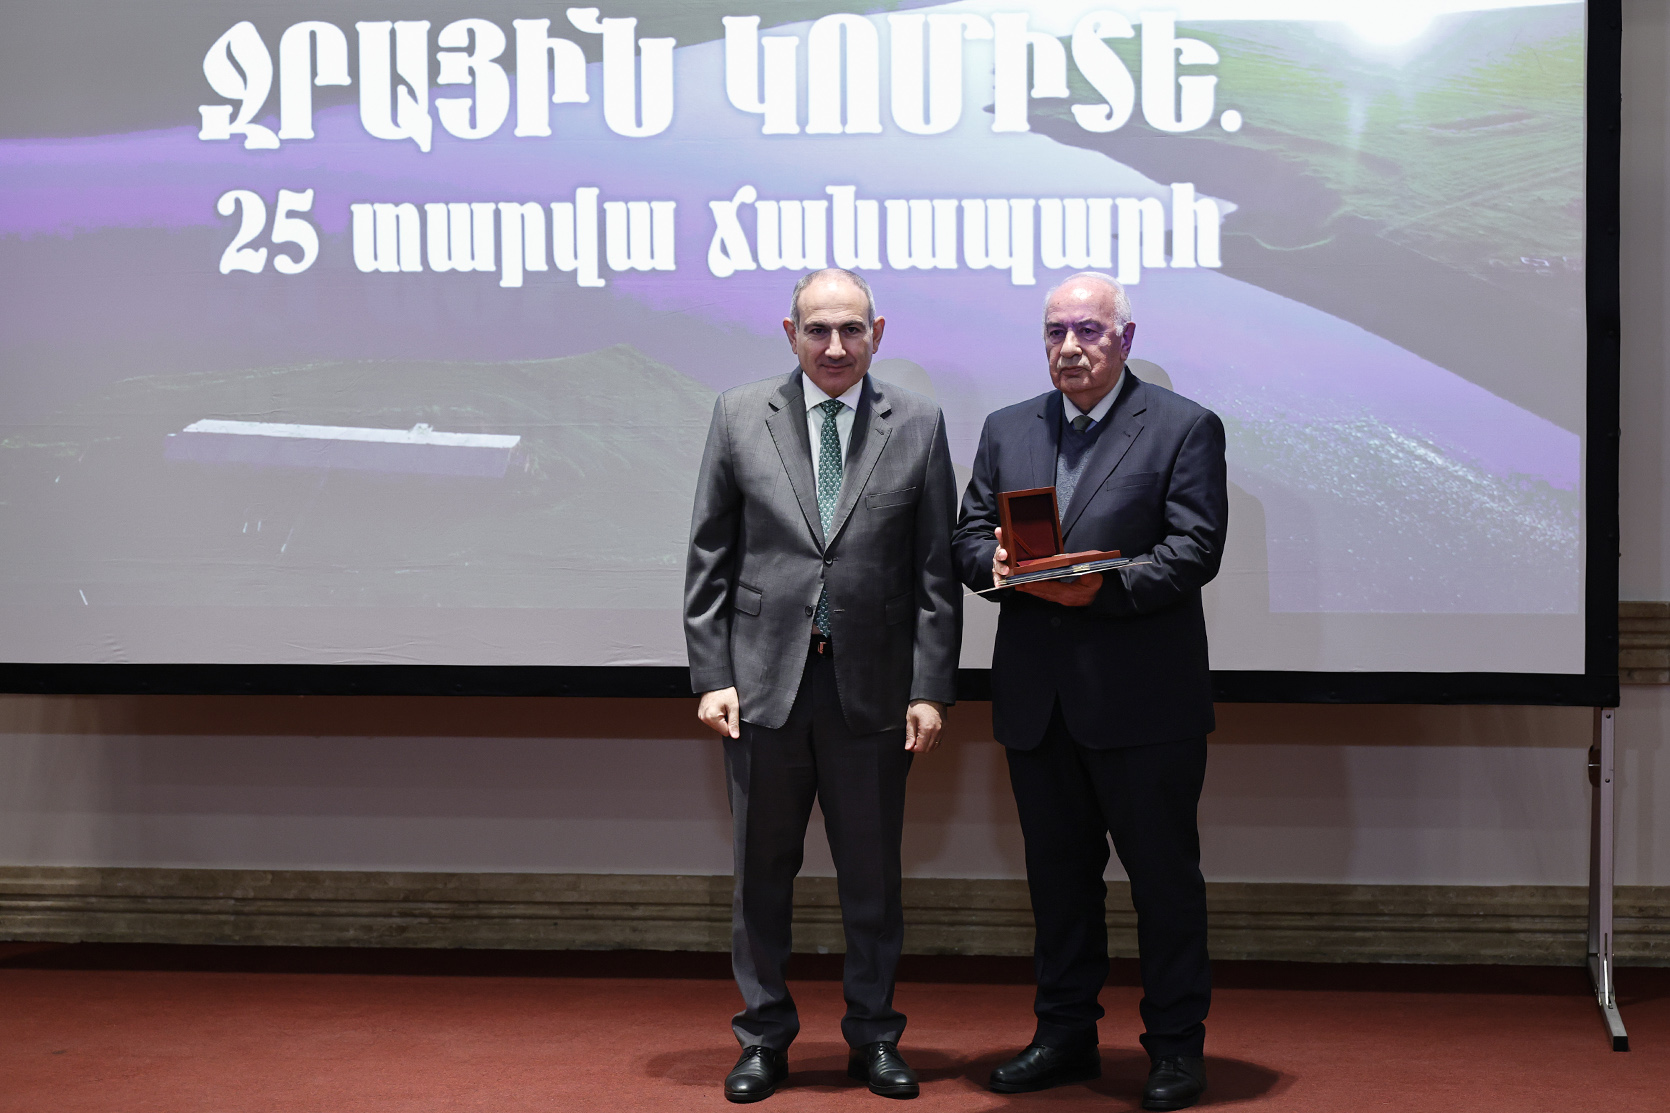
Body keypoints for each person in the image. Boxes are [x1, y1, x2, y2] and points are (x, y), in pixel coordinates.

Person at [685, 268, 962, 1104]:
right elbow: (710, 555)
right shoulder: (739, 414)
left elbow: (935, 572)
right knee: (760, 879)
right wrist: (712, 674)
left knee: (872, 882)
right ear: (790, 332)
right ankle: (763, 1038)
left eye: (851, 329)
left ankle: (874, 1036)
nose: (835, 346)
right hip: (762, 690)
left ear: (878, 332)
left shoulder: (919, 421)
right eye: (818, 329)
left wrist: (930, 686)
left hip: (872, 694)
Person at [951, 272, 1227, 1111]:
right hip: (1039, 704)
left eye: (1088, 331)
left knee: (1164, 885)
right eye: (1055, 332)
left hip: (1144, 705)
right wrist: (993, 563)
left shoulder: (1183, 427)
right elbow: (968, 535)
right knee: (1059, 886)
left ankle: (1174, 1047)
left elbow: (1195, 548)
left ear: (1125, 338)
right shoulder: (1008, 427)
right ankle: (1064, 1035)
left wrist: (1101, 590)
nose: (1069, 347)